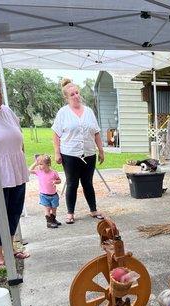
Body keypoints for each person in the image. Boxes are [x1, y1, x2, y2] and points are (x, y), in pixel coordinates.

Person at [0, 75, 30, 268]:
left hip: (15, 168)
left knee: (14, 210)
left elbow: (18, 136)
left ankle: (10, 246)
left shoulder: (7, 111)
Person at [52, 78, 105, 224]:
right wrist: (57, 152)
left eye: (77, 93)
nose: (76, 96)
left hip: (89, 153)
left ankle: (93, 210)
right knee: (72, 183)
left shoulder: (88, 111)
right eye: (72, 94)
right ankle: (70, 213)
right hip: (70, 154)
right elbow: (56, 134)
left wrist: (101, 150)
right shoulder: (63, 113)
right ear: (66, 97)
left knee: (88, 182)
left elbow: (96, 132)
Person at [29, 154, 61, 229]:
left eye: (41, 164)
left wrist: (56, 182)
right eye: (38, 164)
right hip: (44, 195)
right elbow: (29, 170)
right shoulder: (39, 172)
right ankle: (49, 222)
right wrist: (35, 163)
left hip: (53, 195)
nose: (39, 166)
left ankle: (53, 220)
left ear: (48, 164)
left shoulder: (53, 172)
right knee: (47, 208)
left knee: (54, 209)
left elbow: (59, 180)